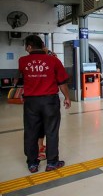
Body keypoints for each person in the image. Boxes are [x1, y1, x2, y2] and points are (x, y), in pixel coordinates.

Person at [16, 35, 71, 173]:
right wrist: (67, 97)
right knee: (51, 131)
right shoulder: (53, 61)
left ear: (28, 47)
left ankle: (32, 164)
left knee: (31, 131)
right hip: (49, 101)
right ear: (42, 45)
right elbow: (62, 82)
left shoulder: (22, 61)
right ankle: (52, 162)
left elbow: (20, 79)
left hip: (31, 102)